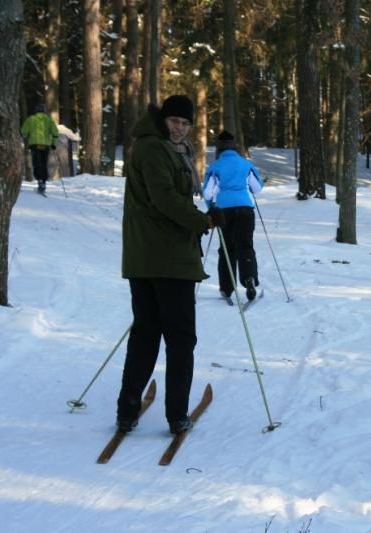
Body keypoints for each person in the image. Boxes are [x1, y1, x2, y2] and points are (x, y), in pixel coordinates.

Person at [116, 95, 214, 435]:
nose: (179, 128)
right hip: (167, 259)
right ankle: (176, 415)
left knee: (146, 333)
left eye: (185, 124)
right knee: (179, 337)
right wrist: (202, 221)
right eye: (175, 121)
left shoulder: (160, 147)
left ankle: (128, 410)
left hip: (146, 258)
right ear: (163, 120)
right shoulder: (154, 149)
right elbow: (165, 199)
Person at [202, 130, 264, 302]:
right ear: (234, 146)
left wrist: (212, 206)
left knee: (227, 249)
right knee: (245, 245)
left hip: (223, 211)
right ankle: (249, 279)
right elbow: (257, 188)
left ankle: (227, 288)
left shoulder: (215, 167)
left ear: (219, 148)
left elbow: (207, 193)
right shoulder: (246, 164)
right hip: (245, 209)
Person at [20, 103, 59, 195]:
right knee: (44, 163)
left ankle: (40, 180)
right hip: (46, 145)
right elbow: (55, 133)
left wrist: (26, 136)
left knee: (37, 163)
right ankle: (44, 183)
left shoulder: (31, 119)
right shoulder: (49, 120)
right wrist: (53, 144)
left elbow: (23, 132)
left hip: (34, 144)